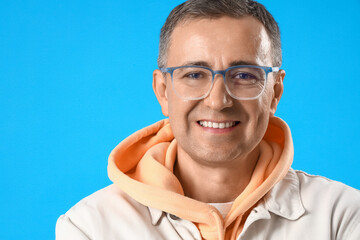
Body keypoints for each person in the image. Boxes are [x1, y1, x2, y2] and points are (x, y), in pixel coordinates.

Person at [55, 0, 360, 239]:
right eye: (195, 75)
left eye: (243, 75)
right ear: (163, 91)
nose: (218, 101)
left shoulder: (343, 216)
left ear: (275, 91)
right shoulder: (90, 227)